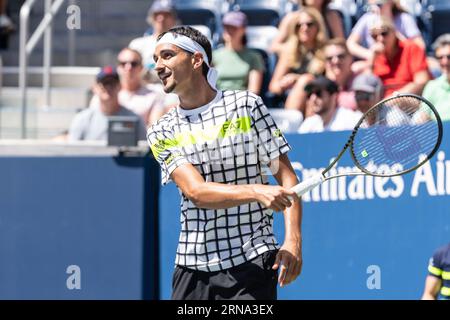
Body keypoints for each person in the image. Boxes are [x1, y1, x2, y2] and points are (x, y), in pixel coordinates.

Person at [147, 26, 303, 300]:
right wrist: (256, 191)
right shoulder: (160, 130)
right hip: (192, 269)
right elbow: (196, 192)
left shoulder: (247, 106)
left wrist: (293, 240)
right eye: (156, 59)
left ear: (197, 60)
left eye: (167, 56)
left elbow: (287, 179)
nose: (158, 66)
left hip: (252, 263)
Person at [269, 7, 327, 113]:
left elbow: (330, 82)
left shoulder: (325, 51)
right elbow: (274, 87)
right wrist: (285, 83)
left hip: (319, 99)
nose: (304, 28)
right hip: (293, 99)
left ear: (318, 27)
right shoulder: (289, 52)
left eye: (309, 24)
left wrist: (299, 79)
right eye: (299, 25)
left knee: (306, 80)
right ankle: (291, 124)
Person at [90, 48, 167, 126]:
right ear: (118, 67)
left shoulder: (155, 94)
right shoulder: (105, 93)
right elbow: (94, 123)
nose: (128, 68)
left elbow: (155, 128)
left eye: (133, 64)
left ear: (141, 67)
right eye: (123, 63)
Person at [68, 66, 147, 141]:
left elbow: (144, 150)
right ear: (95, 88)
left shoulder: (134, 119)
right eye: (104, 84)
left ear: (120, 86)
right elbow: (72, 151)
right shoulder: (82, 119)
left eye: (112, 83)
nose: (108, 87)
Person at [286, 38, 358, 115]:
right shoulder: (315, 88)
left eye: (341, 56)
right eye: (329, 58)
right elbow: (292, 119)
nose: (335, 61)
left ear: (350, 58)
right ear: (324, 63)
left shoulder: (358, 79)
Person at [346, 0, 425, 68]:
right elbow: (350, 44)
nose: (377, 7)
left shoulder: (404, 18)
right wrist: (369, 54)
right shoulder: (367, 18)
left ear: (391, 2)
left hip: (402, 62)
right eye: (374, 35)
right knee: (355, 68)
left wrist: (391, 31)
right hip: (376, 63)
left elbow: (420, 46)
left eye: (380, 4)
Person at [370, 17, 430, 98]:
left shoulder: (411, 48)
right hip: (383, 103)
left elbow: (421, 82)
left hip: (410, 100)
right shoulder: (376, 55)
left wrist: (393, 98)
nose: (380, 38)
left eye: (384, 33)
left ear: (394, 32)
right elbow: (368, 86)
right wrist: (372, 58)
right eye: (374, 36)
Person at [212, 11, 265, 95]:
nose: (229, 30)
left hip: (243, 102)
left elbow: (253, 91)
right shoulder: (213, 55)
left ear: (243, 30)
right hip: (218, 101)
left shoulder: (254, 57)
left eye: (234, 27)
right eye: (226, 27)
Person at [271, 0, 344, 54]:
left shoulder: (332, 16)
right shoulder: (291, 18)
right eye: (300, 25)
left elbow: (341, 44)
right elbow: (274, 46)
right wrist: (295, 49)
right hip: (298, 65)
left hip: (324, 64)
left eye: (309, 24)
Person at [129, 0, 178, 72]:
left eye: (166, 15)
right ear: (151, 18)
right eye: (157, 15)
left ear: (174, 19)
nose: (161, 19)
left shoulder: (180, 44)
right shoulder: (137, 45)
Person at [422, 34, 450, 122]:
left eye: (449, 57)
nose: (445, 62)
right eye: (440, 57)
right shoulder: (431, 86)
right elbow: (423, 116)